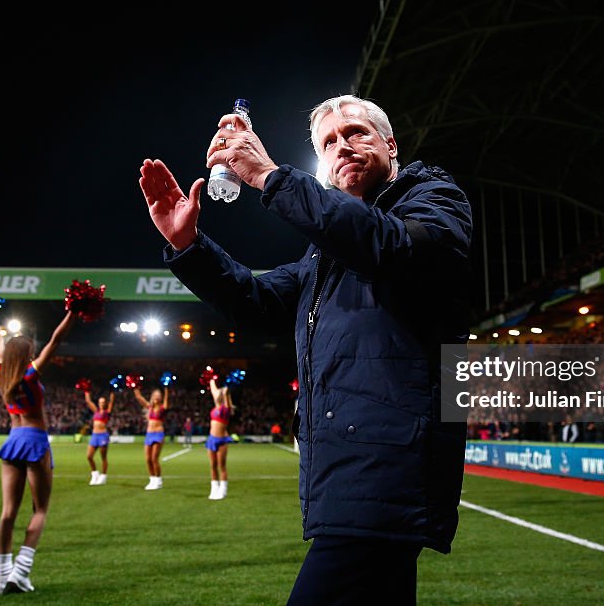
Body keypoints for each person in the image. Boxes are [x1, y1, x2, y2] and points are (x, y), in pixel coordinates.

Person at [138, 94, 473, 605]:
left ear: (390, 143)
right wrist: (190, 248)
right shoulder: (325, 252)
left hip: (385, 464)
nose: (343, 147)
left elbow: (390, 247)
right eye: (329, 142)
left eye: (357, 133)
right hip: (346, 469)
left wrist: (270, 177)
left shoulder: (433, 198)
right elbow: (258, 300)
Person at [0, 308, 75, 594]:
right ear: (27, 354)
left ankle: (3, 576)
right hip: (36, 440)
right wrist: (72, 313)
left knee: (7, 512)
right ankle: (21, 571)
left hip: (12, 440)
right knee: (40, 509)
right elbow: (56, 339)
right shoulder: (30, 373)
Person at [133, 384, 170, 490]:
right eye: (155, 395)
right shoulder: (149, 407)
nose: (156, 397)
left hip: (158, 434)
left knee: (154, 458)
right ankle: (152, 480)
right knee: (148, 459)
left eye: (158, 396)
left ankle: (158, 481)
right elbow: (139, 398)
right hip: (149, 434)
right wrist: (135, 386)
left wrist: (166, 388)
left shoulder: (163, 408)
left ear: (161, 398)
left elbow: (167, 400)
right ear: (153, 397)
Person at [205, 377, 234, 500]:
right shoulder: (215, 408)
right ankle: (214, 488)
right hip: (211, 439)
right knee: (212, 465)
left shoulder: (225, 409)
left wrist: (226, 392)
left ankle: (223, 490)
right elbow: (213, 390)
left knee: (221, 465)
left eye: (220, 394)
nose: (218, 394)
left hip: (222, 440)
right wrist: (211, 380)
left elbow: (226, 400)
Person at [83, 388, 114, 485]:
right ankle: (95, 474)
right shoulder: (95, 411)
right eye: (100, 402)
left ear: (105, 403)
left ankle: (103, 476)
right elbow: (88, 401)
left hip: (103, 435)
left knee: (103, 458)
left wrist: (113, 391)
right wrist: (86, 390)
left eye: (103, 402)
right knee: (89, 456)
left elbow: (112, 401)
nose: (101, 403)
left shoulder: (107, 412)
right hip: (94, 435)